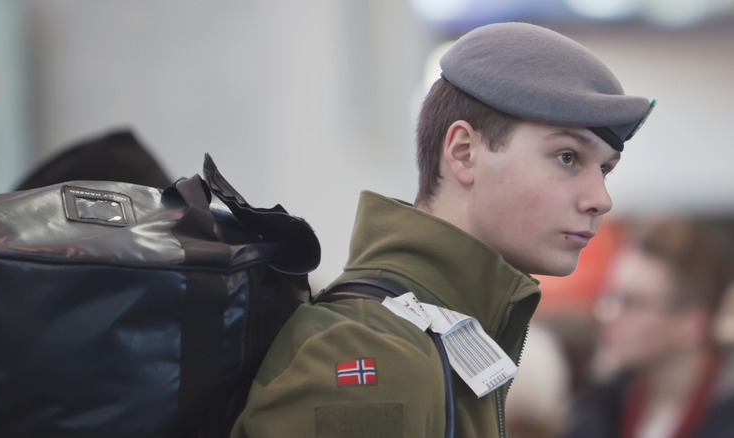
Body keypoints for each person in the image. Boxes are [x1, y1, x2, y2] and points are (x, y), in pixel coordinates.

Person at [229, 22, 654, 438]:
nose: (601, 198)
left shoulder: (440, 335)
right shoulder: (371, 351)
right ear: (464, 152)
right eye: (567, 157)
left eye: (604, 169)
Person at [564, 220, 734, 438]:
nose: (607, 314)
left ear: (691, 323)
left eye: (633, 303)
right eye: (610, 296)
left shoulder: (725, 413)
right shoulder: (602, 404)